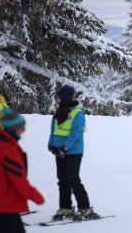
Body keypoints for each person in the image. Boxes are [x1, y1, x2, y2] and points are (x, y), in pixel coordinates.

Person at [0, 108, 45, 233]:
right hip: (6, 202)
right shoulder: (6, 149)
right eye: (22, 128)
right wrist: (35, 196)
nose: (23, 132)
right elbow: (18, 179)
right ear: (13, 129)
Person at [48, 85, 98, 220]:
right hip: (60, 151)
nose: (57, 99)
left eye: (58, 97)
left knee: (73, 180)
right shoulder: (58, 112)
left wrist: (66, 147)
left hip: (74, 151)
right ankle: (65, 207)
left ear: (64, 97)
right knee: (62, 180)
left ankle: (85, 208)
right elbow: (54, 130)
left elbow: (76, 132)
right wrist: (51, 145)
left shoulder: (77, 113)